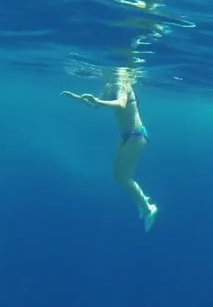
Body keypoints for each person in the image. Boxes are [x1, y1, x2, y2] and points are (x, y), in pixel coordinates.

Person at [60, 67, 158, 232]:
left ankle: (149, 209)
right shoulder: (109, 86)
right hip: (126, 136)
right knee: (117, 175)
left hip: (136, 135)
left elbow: (120, 104)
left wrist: (99, 102)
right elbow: (95, 105)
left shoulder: (122, 85)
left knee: (123, 177)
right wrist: (76, 98)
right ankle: (141, 198)